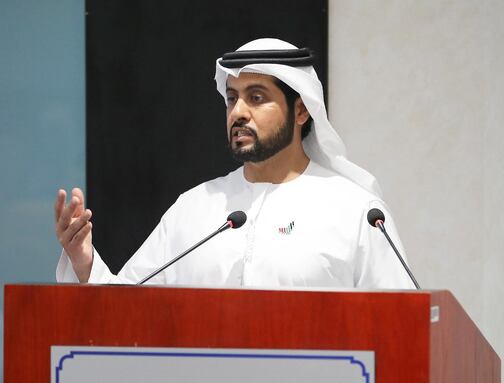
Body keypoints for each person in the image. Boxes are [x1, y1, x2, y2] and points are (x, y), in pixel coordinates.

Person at [54, 38, 414, 289]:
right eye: (232, 99)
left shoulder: (357, 212)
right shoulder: (195, 209)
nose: (238, 112)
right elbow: (126, 309)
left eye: (256, 98)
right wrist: (84, 261)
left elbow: (402, 328)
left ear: (301, 109)